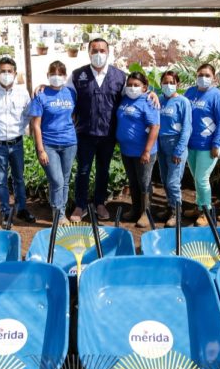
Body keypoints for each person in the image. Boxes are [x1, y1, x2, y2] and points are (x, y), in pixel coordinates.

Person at [67, 38, 127, 223]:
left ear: (108, 52)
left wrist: (149, 94)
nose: (98, 54)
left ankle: (100, 203)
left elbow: (133, 97)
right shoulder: (77, 75)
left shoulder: (120, 76)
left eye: (102, 50)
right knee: (83, 171)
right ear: (89, 52)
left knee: (104, 170)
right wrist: (43, 87)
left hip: (108, 134)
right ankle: (80, 205)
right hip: (85, 133)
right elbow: (65, 96)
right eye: (95, 50)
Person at [0, 57, 36, 227]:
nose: (6, 74)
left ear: (15, 73)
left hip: (17, 143)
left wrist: (18, 130)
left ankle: (21, 209)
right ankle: (5, 212)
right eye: (2, 71)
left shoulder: (22, 93)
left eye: (9, 71)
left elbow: (27, 115)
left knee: (19, 178)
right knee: (1, 180)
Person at [29, 61, 77, 223]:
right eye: (53, 74)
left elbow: (74, 116)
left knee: (64, 180)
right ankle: (59, 215)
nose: (57, 77)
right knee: (57, 180)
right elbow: (36, 125)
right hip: (49, 145)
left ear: (65, 76)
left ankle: (59, 212)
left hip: (69, 143)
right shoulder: (40, 95)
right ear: (48, 75)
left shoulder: (71, 93)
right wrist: (40, 149)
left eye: (60, 74)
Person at [183, 63, 220, 226]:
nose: (203, 78)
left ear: (214, 78)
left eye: (207, 75)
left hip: (208, 146)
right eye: (200, 74)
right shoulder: (190, 93)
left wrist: (216, 143)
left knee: (202, 178)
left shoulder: (217, 96)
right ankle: (198, 206)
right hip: (191, 144)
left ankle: (207, 212)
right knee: (196, 178)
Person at [116, 72, 160, 228]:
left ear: (144, 87)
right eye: (130, 84)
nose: (132, 88)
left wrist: (147, 151)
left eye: (136, 85)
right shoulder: (125, 98)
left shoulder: (148, 101)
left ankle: (145, 213)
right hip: (127, 150)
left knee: (144, 182)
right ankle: (135, 209)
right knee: (133, 181)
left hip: (143, 152)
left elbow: (155, 127)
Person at [157, 70, 191, 227]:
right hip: (161, 144)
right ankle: (170, 207)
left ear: (178, 84)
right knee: (165, 180)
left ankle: (177, 214)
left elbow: (187, 128)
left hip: (176, 144)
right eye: (165, 82)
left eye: (172, 82)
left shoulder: (183, 102)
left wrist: (179, 149)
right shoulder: (159, 100)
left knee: (173, 182)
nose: (168, 85)